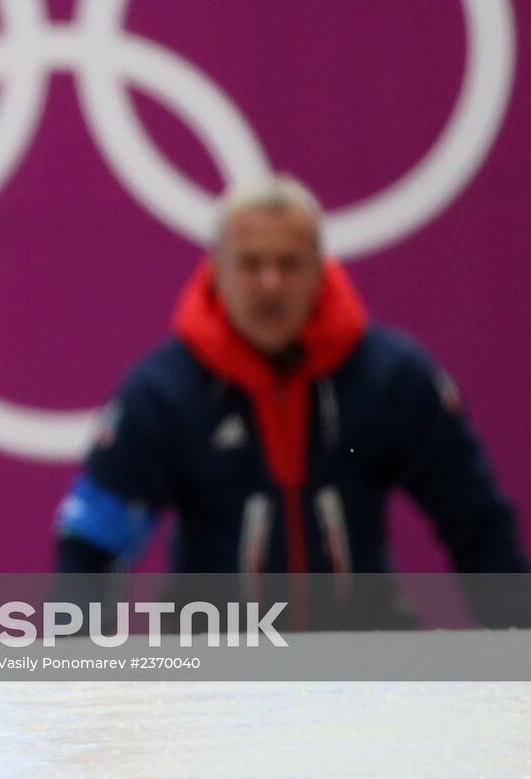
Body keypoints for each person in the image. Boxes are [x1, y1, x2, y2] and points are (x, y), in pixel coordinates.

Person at [54, 174, 528, 626]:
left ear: (321, 268)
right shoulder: (163, 391)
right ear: (216, 269)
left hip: (366, 664)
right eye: (250, 263)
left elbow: (475, 521)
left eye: (289, 262)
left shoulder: (392, 378)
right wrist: (75, 673)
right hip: (210, 671)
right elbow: (92, 543)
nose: (270, 283)